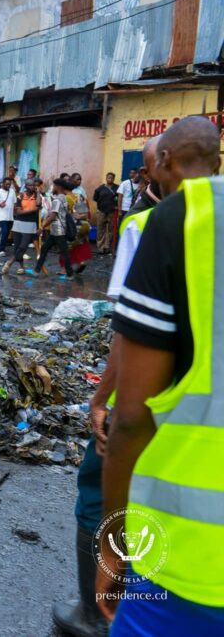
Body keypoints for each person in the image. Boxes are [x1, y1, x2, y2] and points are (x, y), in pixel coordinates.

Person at [95, 116, 224, 635]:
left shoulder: (176, 222)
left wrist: (111, 545)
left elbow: (133, 417)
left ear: (165, 162)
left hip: (193, 561)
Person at [51, 135, 164, 637]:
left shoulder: (147, 226)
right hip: (201, 403)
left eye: (145, 166)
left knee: (99, 494)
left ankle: (96, 612)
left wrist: (101, 399)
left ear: (160, 167)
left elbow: (130, 328)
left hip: (143, 391)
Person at [31, 177, 74, 279]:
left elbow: (53, 216)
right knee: (46, 249)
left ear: (58, 187)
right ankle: (37, 270)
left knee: (64, 252)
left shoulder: (57, 200)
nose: (52, 188)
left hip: (58, 230)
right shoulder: (64, 197)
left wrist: (42, 226)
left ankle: (70, 274)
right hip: (57, 230)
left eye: (54, 186)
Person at [2, 178, 39, 275]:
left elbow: (39, 205)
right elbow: (18, 211)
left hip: (30, 224)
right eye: (30, 185)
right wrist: (32, 210)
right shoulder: (21, 196)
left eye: (33, 185)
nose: (32, 187)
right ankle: (21, 267)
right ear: (26, 186)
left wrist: (38, 193)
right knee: (17, 246)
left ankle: (10, 262)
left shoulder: (36, 196)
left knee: (23, 246)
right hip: (19, 223)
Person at [62, 180, 93, 275]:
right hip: (84, 225)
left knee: (67, 247)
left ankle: (64, 269)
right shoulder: (79, 196)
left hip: (72, 226)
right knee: (80, 245)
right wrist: (80, 216)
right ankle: (81, 262)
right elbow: (85, 213)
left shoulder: (64, 199)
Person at [93, 173, 119, 254]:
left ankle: (107, 247)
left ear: (114, 179)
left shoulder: (117, 188)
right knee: (100, 229)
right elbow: (95, 198)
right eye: (108, 177)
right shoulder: (100, 188)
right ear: (106, 178)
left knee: (110, 229)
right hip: (101, 211)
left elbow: (119, 198)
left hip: (112, 211)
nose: (110, 179)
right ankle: (100, 247)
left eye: (112, 178)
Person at [0, 177, 17, 256]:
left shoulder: (12, 192)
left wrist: (14, 214)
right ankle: (0, 250)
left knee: (7, 233)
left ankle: (1, 246)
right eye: (7, 184)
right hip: (2, 217)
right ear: (3, 183)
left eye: (9, 184)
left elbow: (14, 203)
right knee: (4, 231)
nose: (8, 185)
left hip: (10, 217)